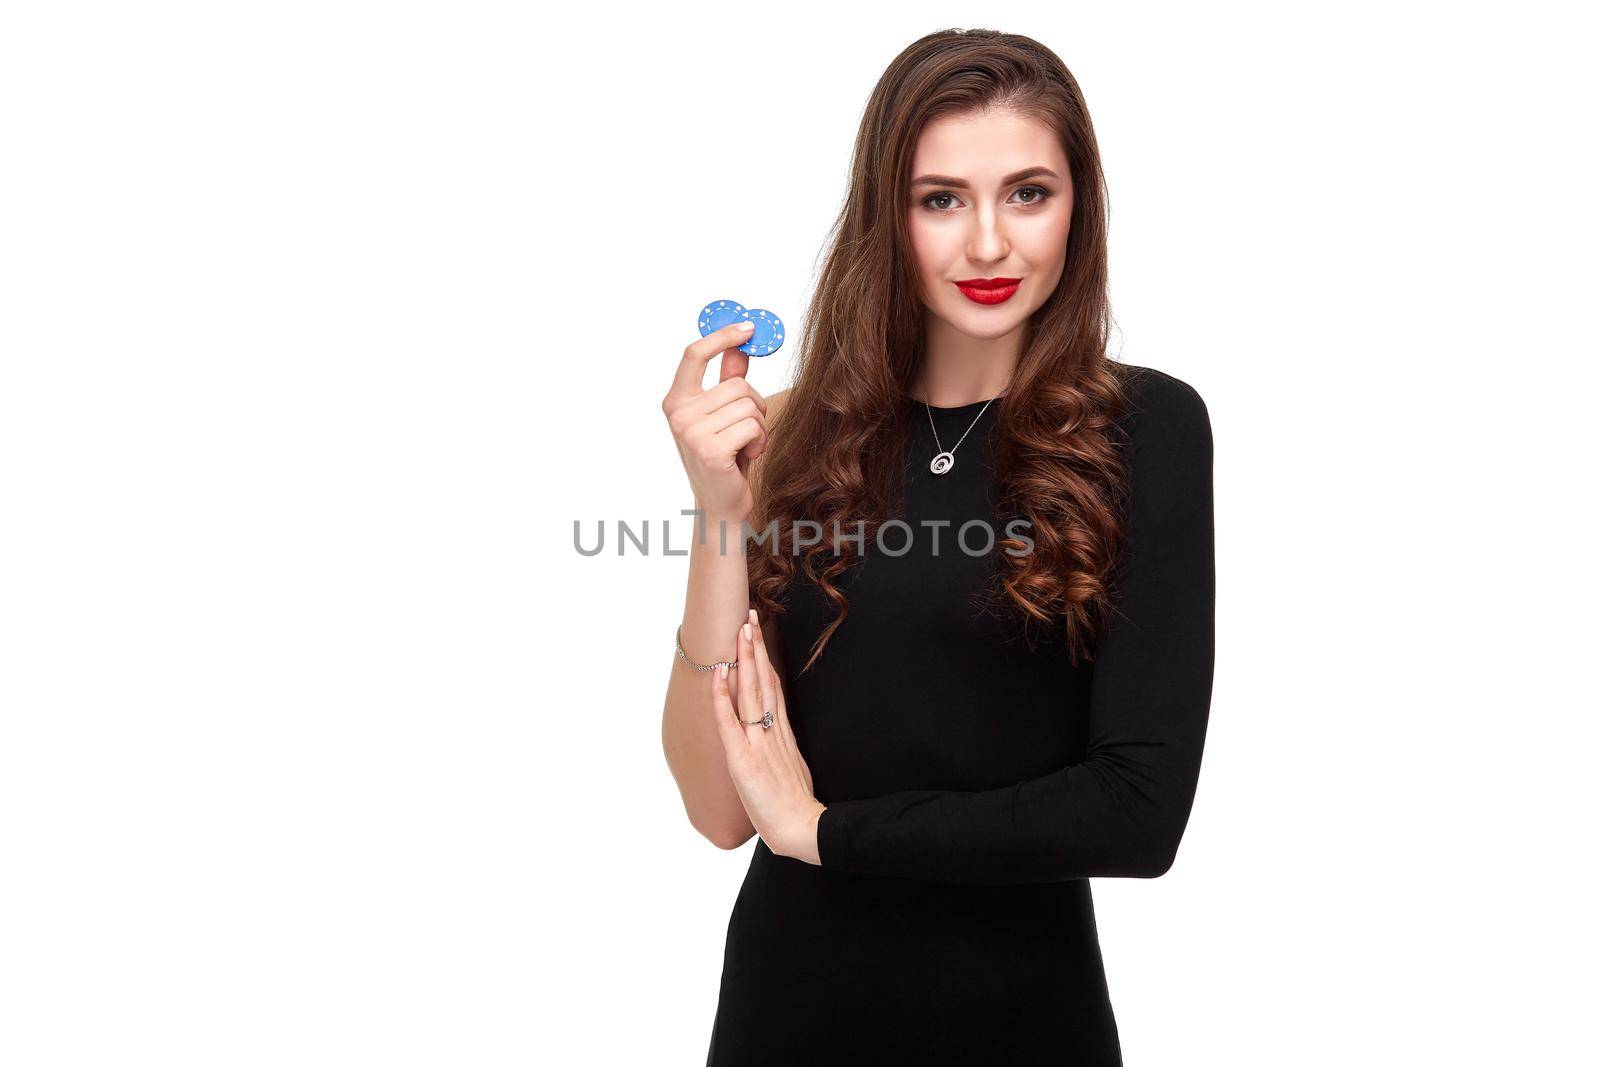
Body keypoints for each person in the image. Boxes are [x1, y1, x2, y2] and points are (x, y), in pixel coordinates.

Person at [660, 28, 1215, 1065]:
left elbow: (1135, 810)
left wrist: (830, 832)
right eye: (942, 199)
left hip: (1019, 1022)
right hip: (787, 1016)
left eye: (1028, 193)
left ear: (1077, 209)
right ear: (890, 216)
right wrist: (717, 507)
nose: (989, 245)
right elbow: (721, 808)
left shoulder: (1143, 429)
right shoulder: (793, 441)